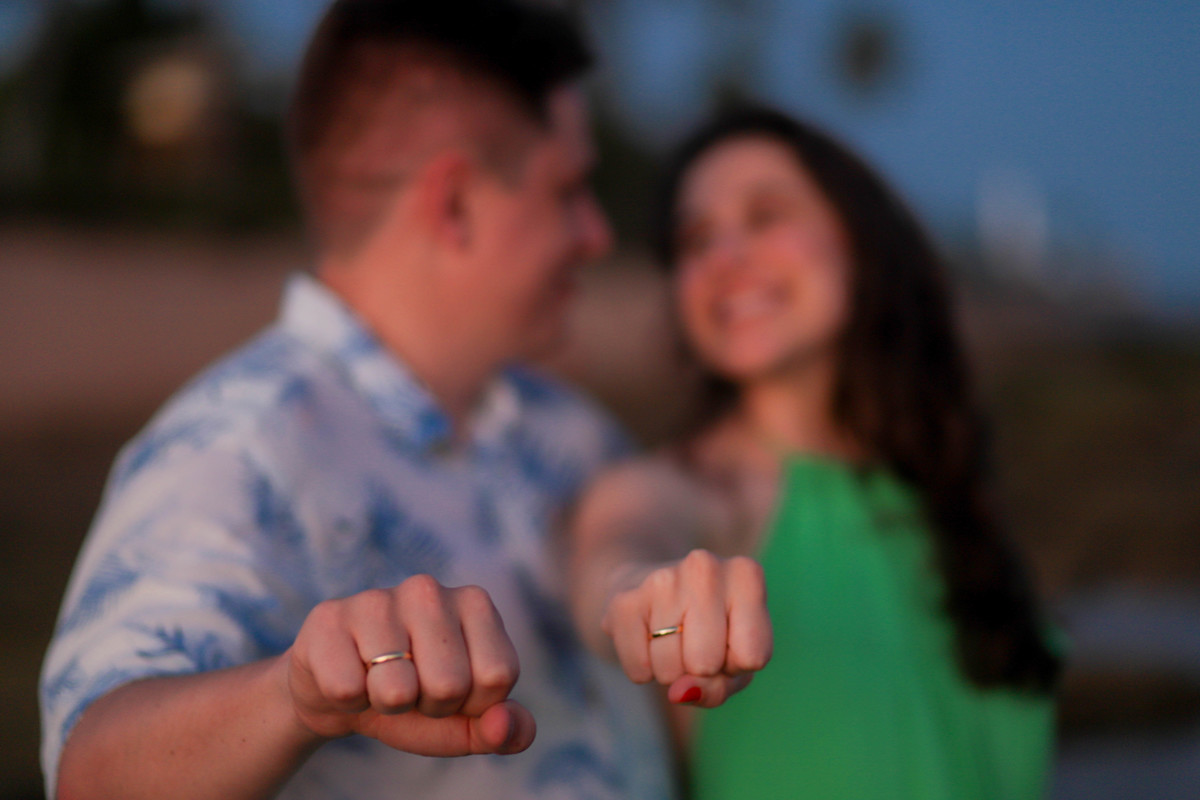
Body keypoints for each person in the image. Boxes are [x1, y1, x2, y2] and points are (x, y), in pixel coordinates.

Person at [38, 2, 680, 798]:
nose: (595, 235)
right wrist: (295, 695)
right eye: (567, 190)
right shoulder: (235, 449)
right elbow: (94, 771)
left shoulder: (565, 424)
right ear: (455, 205)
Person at [569, 108, 1061, 799]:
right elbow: (618, 553)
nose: (727, 257)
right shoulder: (684, 487)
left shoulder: (951, 498)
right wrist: (645, 601)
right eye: (695, 238)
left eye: (766, 216)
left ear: (860, 240)